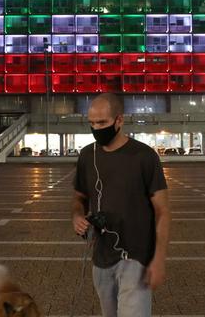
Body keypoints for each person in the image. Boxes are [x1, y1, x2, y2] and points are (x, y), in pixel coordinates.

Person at [71, 93, 171, 317]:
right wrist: (77, 217)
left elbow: (162, 211)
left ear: (119, 120)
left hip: (136, 259)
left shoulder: (144, 157)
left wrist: (159, 259)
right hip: (101, 258)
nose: (96, 128)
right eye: (92, 123)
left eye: (102, 123)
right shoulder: (87, 156)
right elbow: (79, 198)